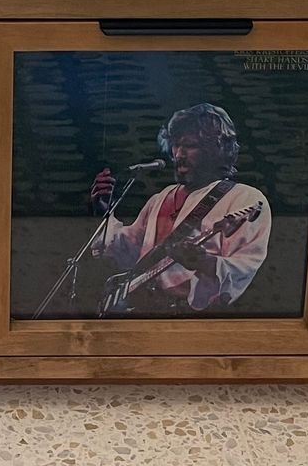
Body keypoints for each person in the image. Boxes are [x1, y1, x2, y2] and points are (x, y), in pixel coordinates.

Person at [84, 103, 270, 314]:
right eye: (176, 145)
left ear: (216, 149)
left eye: (190, 146)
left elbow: (243, 267)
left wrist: (203, 262)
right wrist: (104, 211)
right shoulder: (160, 198)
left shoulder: (244, 199)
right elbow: (127, 251)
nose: (179, 154)